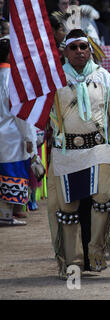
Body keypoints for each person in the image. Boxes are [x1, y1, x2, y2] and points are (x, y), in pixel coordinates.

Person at [46, 29, 110, 279]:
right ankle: (72, 262)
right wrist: (33, 153)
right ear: (65, 52)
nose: (80, 51)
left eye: (84, 47)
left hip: (97, 148)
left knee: (103, 200)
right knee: (68, 209)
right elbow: (40, 117)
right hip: (65, 150)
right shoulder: (55, 79)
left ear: (90, 49)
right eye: (74, 48)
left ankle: (96, 253)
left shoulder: (103, 76)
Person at [0, 36, 34, 226]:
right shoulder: (13, 80)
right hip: (12, 135)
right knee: (12, 172)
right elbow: (21, 113)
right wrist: (29, 136)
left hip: (5, 135)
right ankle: (6, 215)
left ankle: (9, 212)